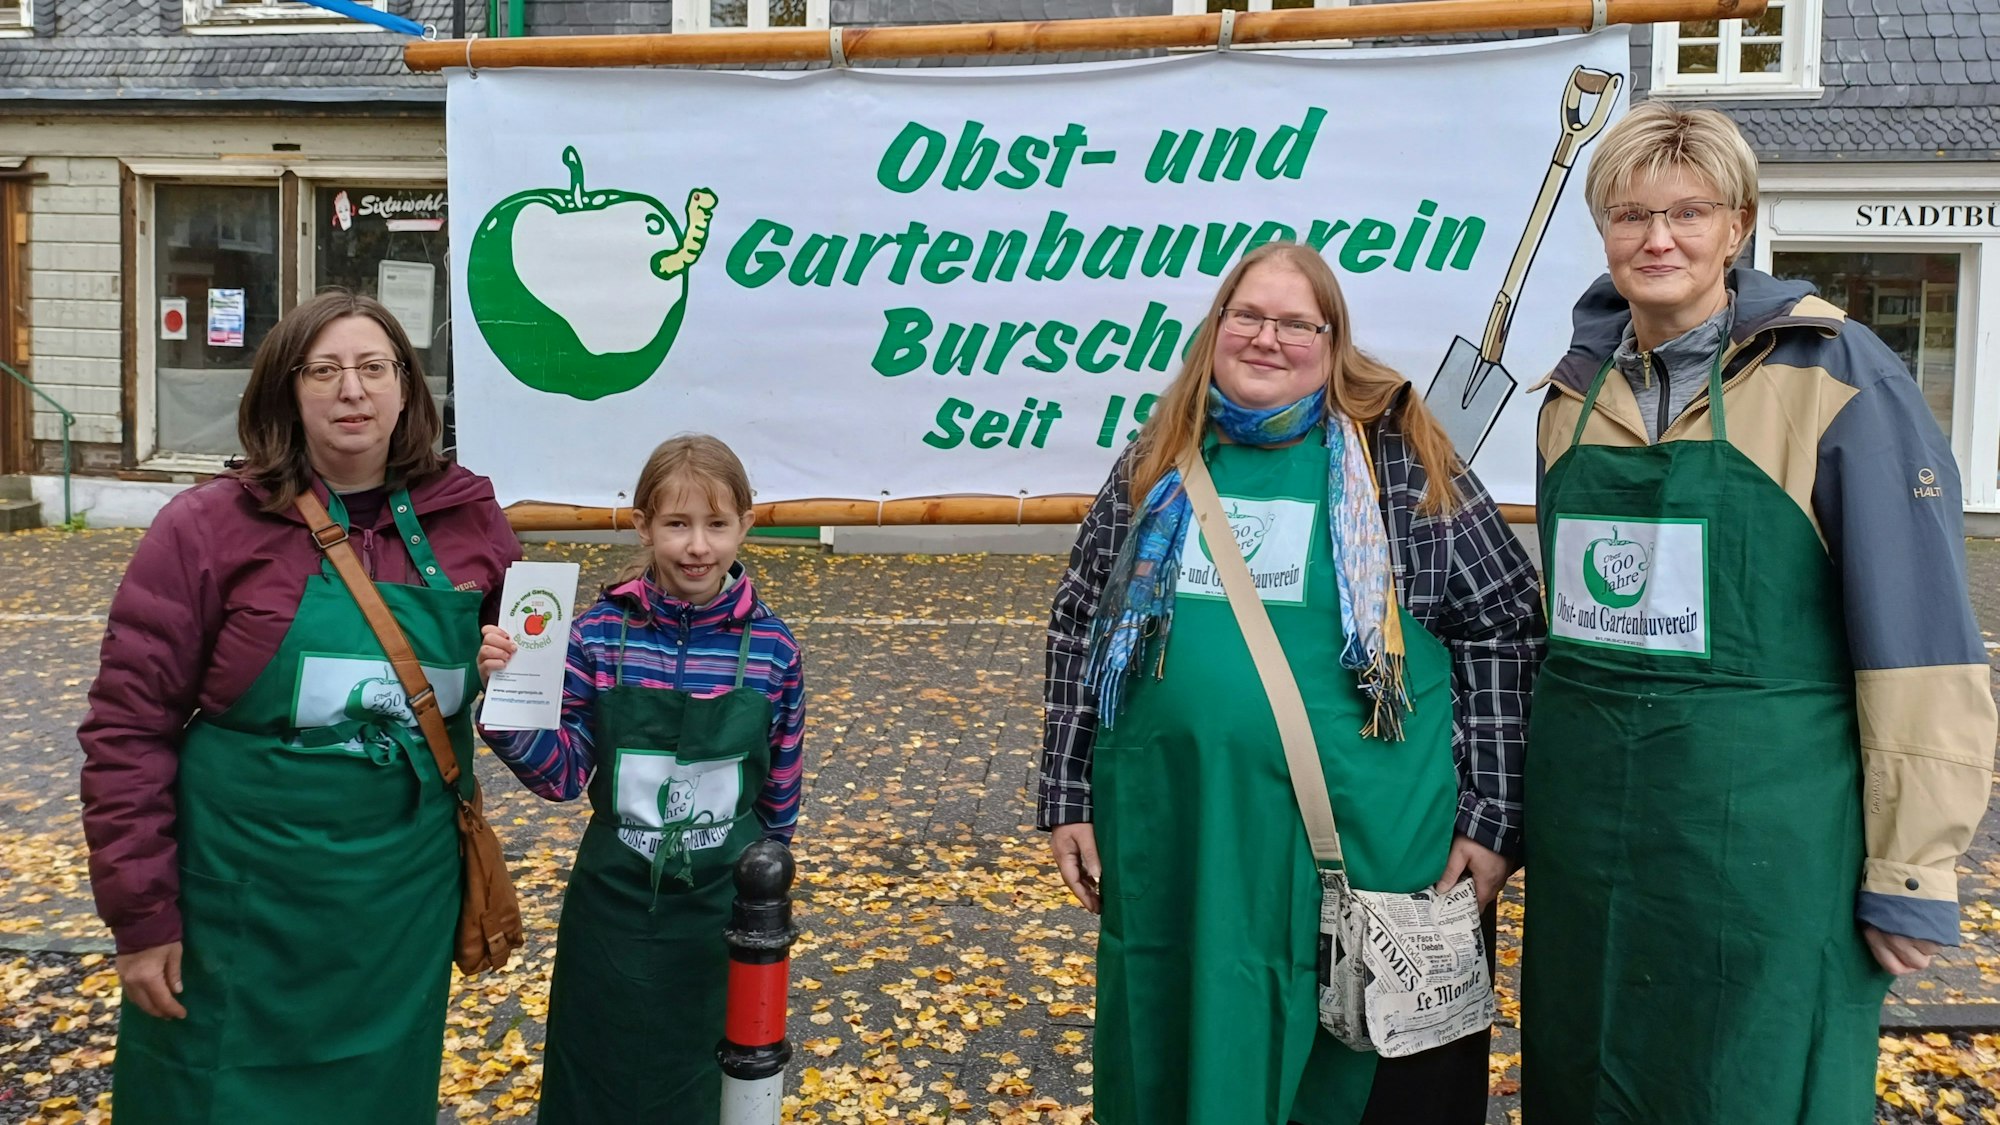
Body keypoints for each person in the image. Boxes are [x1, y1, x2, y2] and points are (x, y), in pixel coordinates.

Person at [1524, 102, 1999, 1123]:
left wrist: (1910, 866)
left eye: (1687, 212)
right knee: (1586, 1074)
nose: (1656, 239)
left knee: (1749, 1084)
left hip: (1766, 850)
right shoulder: (1569, 394)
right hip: (1590, 851)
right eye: (1628, 214)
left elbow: (1917, 646)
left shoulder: (1840, 381)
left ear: (1737, 225)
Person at [1040, 241, 1545, 1125]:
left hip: (1379, 862)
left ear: (1332, 339)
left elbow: (1503, 622)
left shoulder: (1400, 459)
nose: (1266, 338)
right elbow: (1083, 619)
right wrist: (1067, 792)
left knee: (1372, 1089)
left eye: (1294, 323)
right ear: (1215, 330)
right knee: (1183, 1054)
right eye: (1247, 316)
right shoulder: (1157, 461)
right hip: (1185, 852)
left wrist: (1495, 819)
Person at [78, 290, 522, 1123]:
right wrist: (141, 916)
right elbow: (127, 730)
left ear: (406, 390)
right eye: (324, 370)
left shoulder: (472, 524)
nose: (351, 390)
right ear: (287, 390)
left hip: (399, 913)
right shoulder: (207, 529)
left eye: (373, 368)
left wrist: (509, 672)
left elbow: (526, 697)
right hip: (239, 911)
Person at [477, 433, 806, 1124]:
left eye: (717, 524)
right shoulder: (597, 635)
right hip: (613, 910)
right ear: (644, 525)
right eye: (677, 523)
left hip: (723, 918)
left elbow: (780, 793)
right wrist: (508, 707)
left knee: (711, 1078)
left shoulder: (773, 650)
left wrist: (766, 903)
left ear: (746, 524)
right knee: (599, 1074)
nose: (697, 546)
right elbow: (563, 774)